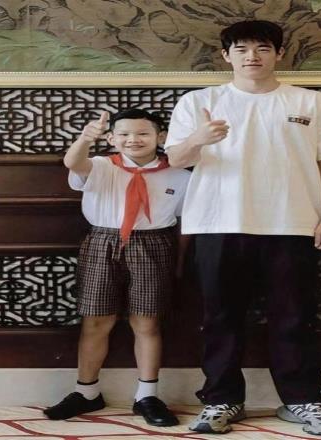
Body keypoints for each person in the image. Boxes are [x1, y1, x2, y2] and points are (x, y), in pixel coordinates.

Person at [165, 20, 321, 436]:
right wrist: (199, 138)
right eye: (241, 49)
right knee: (220, 317)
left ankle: (304, 399)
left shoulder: (311, 102)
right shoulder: (199, 101)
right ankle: (221, 400)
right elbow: (177, 160)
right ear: (226, 56)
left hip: (293, 223)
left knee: (294, 316)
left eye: (262, 48)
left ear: (279, 53)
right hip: (218, 222)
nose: (251, 57)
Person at [43, 108, 190, 427]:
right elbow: (72, 163)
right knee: (96, 320)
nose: (133, 139)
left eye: (143, 133)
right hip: (102, 242)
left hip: (154, 243)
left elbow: (184, 222)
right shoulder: (99, 165)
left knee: (147, 321)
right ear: (111, 138)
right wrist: (85, 138)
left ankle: (147, 395)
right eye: (124, 134)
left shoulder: (179, 175)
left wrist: (180, 262)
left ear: (161, 137)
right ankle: (87, 392)